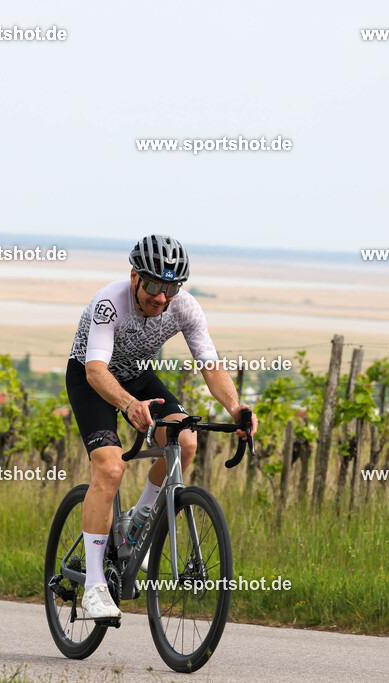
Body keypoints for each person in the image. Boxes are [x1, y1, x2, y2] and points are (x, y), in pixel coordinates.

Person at [66, 234, 258, 619]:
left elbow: (210, 365)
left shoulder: (184, 308)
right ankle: (94, 587)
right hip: (93, 380)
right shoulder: (109, 303)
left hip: (138, 376)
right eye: (153, 285)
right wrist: (127, 404)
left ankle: (139, 520)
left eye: (169, 287)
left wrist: (236, 408)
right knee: (111, 466)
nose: (160, 296)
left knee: (185, 441)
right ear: (134, 276)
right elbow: (96, 370)